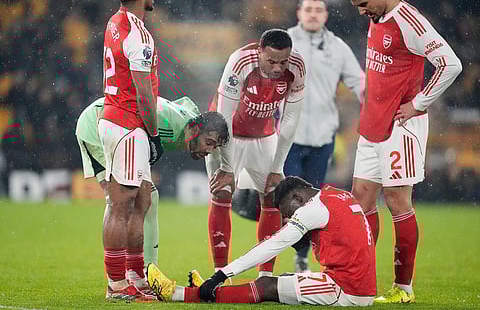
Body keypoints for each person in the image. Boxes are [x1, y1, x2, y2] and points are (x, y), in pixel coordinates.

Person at [346, 0, 462, 303]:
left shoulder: (410, 22)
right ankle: (360, 280)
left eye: (364, 3)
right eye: (356, 6)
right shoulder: (377, 16)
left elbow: (450, 64)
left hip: (401, 125)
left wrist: (419, 104)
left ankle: (403, 288)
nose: (361, 11)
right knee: (361, 200)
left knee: (397, 201)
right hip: (372, 124)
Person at [146, 176, 376, 306]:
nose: (288, 219)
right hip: (360, 283)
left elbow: (272, 245)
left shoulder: (312, 209)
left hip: (346, 289)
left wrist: (222, 274)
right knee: (285, 280)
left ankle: (180, 294)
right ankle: (209, 288)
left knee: (266, 286)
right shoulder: (337, 193)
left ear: (298, 197)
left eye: (288, 212)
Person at [75, 96, 229, 283]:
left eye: (215, 146)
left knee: (144, 198)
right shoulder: (169, 125)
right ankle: (131, 277)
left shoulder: (193, 121)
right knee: (123, 201)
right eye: (209, 142)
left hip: (110, 125)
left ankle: (140, 273)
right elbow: (142, 106)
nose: (210, 150)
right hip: (99, 125)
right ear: (196, 129)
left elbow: (186, 101)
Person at [206, 29, 305, 276]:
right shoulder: (240, 61)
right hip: (227, 135)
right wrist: (227, 168)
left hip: (264, 135)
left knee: (273, 197)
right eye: (271, 61)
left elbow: (291, 120)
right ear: (260, 51)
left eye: (282, 62)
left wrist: (277, 168)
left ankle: (266, 275)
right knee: (222, 192)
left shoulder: (297, 67)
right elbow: (223, 117)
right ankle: (220, 273)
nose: (277, 68)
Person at [285, 0, 365, 273]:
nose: (313, 14)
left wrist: (377, 110)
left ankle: (305, 257)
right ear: (299, 12)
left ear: (326, 15)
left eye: (318, 10)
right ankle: (275, 257)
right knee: (289, 200)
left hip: (322, 138)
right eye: (308, 9)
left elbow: (360, 84)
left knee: (314, 201)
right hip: (290, 137)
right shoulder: (285, 41)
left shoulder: (337, 47)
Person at [97, 0, 161, 301]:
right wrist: (153, 132)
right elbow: (143, 94)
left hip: (116, 119)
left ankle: (135, 277)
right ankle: (117, 284)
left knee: (142, 200)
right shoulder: (139, 35)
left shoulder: (115, 21)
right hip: (127, 124)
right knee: (121, 203)